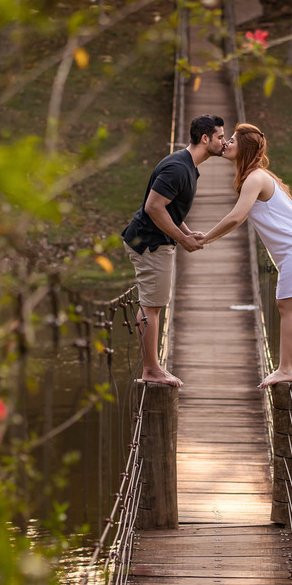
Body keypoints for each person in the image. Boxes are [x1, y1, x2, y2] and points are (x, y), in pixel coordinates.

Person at [201, 123, 292, 388]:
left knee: (287, 307)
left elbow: (237, 217)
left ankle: (287, 369)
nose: (226, 144)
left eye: (233, 141)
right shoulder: (258, 176)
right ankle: (287, 368)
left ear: (245, 149)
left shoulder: (255, 178)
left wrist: (205, 239)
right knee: (288, 306)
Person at [122, 114, 226, 387]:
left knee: (153, 305)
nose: (224, 142)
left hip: (155, 241)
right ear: (206, 139)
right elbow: (153, 207)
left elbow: (170, 208)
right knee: (151, 306)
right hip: (149, 243)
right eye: (220, 137)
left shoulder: (188, 165)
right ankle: (151, 370)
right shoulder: (178, 168)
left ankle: (153, 367)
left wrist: (187, 231)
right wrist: (182, 239)